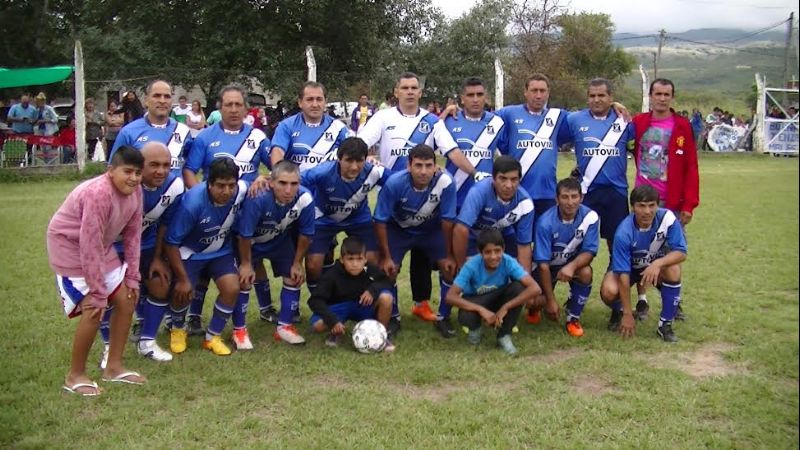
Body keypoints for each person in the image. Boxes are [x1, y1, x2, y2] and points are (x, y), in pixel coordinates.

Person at [357, 72, 479, 326]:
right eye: (405, 87)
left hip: (426, 203)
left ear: (420, 92)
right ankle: (392, 314)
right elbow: (359, 143)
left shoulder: (432, 121)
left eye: (414, 88)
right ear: (396, 91)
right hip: (394, 198)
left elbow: (452, 151)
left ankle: (422, 305)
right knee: (388, 263)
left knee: (423, 259)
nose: (410, 92)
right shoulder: (383, 117)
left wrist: (475, 173)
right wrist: (365, 157)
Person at [47, 146, 147, 396]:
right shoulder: (98, 193)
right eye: (127, 171)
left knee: (126, 300)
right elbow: (88, 242)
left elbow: (133, 234)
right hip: (70, 247)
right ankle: (75, 375)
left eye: (137, 173)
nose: (133, 178)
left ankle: (113, 367)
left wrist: (133, 276)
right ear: (110, 170)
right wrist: (98, 290)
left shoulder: (137, 191)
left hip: (99, 247)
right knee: (94, 306)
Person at [181, 85, 270, 335]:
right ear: (219, 108)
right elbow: (190, 170)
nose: (233, 109)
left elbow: (276, 165)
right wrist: (201, 197)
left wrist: (266, 177)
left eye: (238, 105)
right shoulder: (205, 137)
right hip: (213, 212)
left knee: (250, 262)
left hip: (246, 214)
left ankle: (257, 314)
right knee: (204, 266)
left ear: (245, 108)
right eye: (228, 104)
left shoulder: (258, 137)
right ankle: (194, 317)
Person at [97, 142, 185, 363]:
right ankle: (109, 346)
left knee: (160, 281)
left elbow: (164, 225)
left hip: (145, 246)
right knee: (108, 293)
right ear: (139, 166)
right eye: (153, 165)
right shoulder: (116, 186)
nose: (161, 171)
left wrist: (157, 258)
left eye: (166, 165)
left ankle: (147, 342)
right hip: (110, 248)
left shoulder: (175, 186)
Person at [299, 137, 389, 341]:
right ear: (339, 159)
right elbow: (296, 180)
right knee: (313, 265)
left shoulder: (373, 171)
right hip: (324, 218)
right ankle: (324, 307)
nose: (355, 166)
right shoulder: (323, 171)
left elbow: (400, 180)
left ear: (366, 159)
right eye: (349, 160)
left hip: (358, 218)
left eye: (360, 161)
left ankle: (368, 302)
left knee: (372, 259)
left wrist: (435, 173)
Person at [436, 77, 504, 333]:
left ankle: (488, 312)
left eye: (479, 94)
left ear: (486, 96)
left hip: (486, 204)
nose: (475, 99)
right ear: (461, 98)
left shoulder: (497, 123)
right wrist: (443, 113)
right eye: (470, 95)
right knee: (451, 261)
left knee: (487, 258)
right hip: (453, 203)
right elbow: (430, 136)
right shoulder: (449, 122)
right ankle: (444, 316)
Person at [164, 158, 248, 356]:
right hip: (191, 253)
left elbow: (259, 184)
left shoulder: (241, 190)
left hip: (220, 251)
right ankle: (177, 329)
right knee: (184, 291)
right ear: (209, 183)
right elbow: (171, 242)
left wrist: (263, 180)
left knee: (232, 287)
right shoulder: (192, 203)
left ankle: (212, 337)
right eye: (220, 186)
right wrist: (182, 279)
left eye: (231, 185)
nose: (226, 191)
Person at [630, 78, 699, 321]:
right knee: (639, 251)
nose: (661, 98)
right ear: (650, 96)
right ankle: (641, 300)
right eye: (657, 93)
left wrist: (689, 204)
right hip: (642, 200)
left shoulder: (681, 126)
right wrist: (617, 105)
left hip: (671, 202)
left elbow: (691, 166)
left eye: (666, 94)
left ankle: (673, 303)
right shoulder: (639, 122)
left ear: (672, 96)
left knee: (671, 253)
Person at [373, 144, 458, 338]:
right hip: (399, 230)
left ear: (436, 166)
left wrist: (449, 254)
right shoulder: (395, 183)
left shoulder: (445, 182)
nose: (423, 171)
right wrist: (385, 256)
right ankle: (393, 317)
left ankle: (443, 317)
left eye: (429, 165)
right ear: (408, 166)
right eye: (418, 165)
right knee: (390, 269)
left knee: (448, 267)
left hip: (431, 231)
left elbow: (448, 221)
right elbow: (380, 220)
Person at [236, 161, 315, 347]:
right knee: (244, 278)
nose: (288, 190)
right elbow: (244, 235)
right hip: (250, 243)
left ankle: (285, 327)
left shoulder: (305, 198)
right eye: (282, 183)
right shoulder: (258, 196)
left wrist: (297, 263)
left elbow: (306, 234)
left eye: (294, 184)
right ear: (271, 182)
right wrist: (246, 264)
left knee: (294, 276)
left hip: (279, 240)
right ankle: (239, 330)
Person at [599, 185, 687, 342]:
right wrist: (627, 312)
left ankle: (665, 325)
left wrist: (658, 263)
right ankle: (619, 311)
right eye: (641, 206)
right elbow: (623, 275)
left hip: (654, 266)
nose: (647, 211)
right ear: (633, 208)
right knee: (608, 291)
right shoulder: (623, 232)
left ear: (657, 205)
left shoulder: (667, 219)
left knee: (673, 269)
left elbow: (681, 252)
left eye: (652, 205)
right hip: (630, 270)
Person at [445, 229, 541, 356]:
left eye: (497, 251)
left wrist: (506, 307)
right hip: (477, 299)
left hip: (499, 298)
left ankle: (504, 335)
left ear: (503, 249)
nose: (493, 256)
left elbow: (535, 288)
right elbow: (450, 296)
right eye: (488, 252)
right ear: (480, 253)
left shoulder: (508, 261)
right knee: (466, 315)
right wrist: (481, 310)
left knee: (519, 287)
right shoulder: (471, 265)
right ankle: (475, 330)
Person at [566, 79, 634, 252]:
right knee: (579, 244)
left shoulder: (624, 120)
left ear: (610, 97)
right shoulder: (574, 119)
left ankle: (617, 277)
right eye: (592, 96)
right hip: (586, 191)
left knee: (618, 244)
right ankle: (581, 279)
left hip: (616, 192)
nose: (596, 100)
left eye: (602, 95)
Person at [532, 177, 600, 337]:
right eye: (565, 197)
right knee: (530, 301)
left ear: (581, 197)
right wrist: (550, 300)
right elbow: (542, 265)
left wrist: (571, 266)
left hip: (571, 266)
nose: (570, 202)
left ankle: (573, 318)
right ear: (557, 199)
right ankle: (535, 308)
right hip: (546, 267)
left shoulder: (590, 218)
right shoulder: (545, 223)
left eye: (574, 196)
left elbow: (589, 252)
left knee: (586, 272)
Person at [308, 236, 396, 351]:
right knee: (318, 326)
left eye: (359, 259)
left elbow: (387, 281)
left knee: (386, 297)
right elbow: (314, 300)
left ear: (365, 259)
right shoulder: (332, 274)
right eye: (350, 259)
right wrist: (332, 320)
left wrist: (372, 290)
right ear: (342, 259)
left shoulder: (369, 269)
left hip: (362, 306)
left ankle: (381, 334)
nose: (355, 264)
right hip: (340, 308)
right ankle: (335, 333)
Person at [453, 156, 534, 274]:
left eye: (514, 179)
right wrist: (462, 267)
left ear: (520, 180)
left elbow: (524, 246)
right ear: (493, 178)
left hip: (502, 235)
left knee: (517, 276)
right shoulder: (479, 192)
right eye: (503, 179)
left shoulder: (525, 203)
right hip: (474, 235)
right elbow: (460, 230)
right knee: (465, 276)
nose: (508, 185)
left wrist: (526, 281)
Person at [110, 80, 193, 177]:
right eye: (156, 96)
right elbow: (113, 171)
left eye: (167, 96)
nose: (162, 101)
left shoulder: (183, 131)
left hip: (176, 192)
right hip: (140, 192)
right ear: (146, 100)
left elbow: (190, 169)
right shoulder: (128, 132)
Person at [269, 81, 349, 173]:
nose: (315, 104)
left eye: (319, 99)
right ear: (300, 102)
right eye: (309, 99)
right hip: (297, 184)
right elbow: (277, 151)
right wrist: (279, 175)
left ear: (325, 102)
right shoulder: (287, 125)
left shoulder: (339, 128)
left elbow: (352, 154)